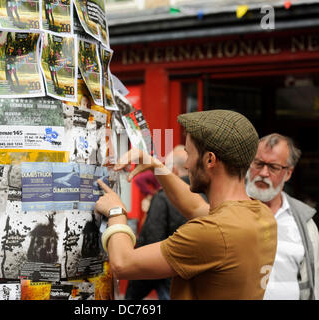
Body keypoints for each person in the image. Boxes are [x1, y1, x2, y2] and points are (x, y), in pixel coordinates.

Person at [95, 109, 277, 299]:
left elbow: (123, 264)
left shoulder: (214, 232)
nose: (187, 164)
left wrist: (116, 212)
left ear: (209, 160)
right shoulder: (260, 214)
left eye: (189, 154)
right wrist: (158, 167)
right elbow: (195, 208)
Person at [246, 133, 319, 300]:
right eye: (258, 163)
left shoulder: (304, 222)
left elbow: (315, 284)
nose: (263, 173)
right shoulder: (229, 208)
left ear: (288, 173)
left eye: (273, 167)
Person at [125, 145, 189, 300]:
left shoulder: (163, 198)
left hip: (170, 281)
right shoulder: (209, 195)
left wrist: (131, 296)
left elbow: (150, 245)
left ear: (173, 169)